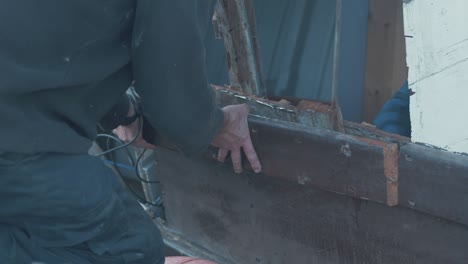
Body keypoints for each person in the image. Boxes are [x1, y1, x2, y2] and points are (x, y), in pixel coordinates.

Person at [0, 1, 261, 263]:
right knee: (129, 248)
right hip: (18, 146)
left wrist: (122, 114)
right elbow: (174, 100)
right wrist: (219, 125)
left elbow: (54, 36)